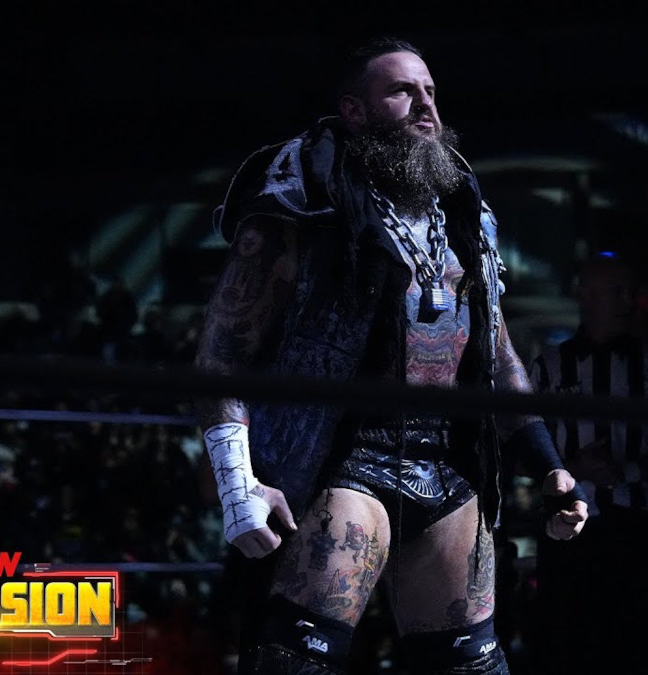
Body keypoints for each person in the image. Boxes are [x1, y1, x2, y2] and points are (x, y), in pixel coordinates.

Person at [193, 37, 588, 675]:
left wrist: (548, 466)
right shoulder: (302, 197)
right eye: (403, 91)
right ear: (354, 110)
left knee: (471, 667)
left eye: (430, 90)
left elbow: (496, 353)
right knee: (297, 664)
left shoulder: (461, 212)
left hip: (446, 462)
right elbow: (224, 347)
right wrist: (237, 481)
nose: (425, 105)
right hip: (344, 459)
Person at [528, 253, 648, 675]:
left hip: (639, 535)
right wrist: (573, 468)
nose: (629, 301)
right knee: (573, 653)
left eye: (630, 291)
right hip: (571, 534)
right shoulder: (548, 368)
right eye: (617, 291)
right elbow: (517, 452)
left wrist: (628, 471)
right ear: (584, 294)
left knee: (645, 653)